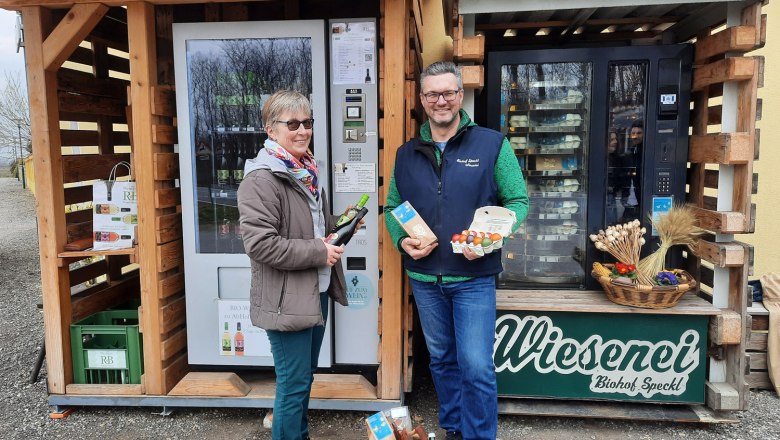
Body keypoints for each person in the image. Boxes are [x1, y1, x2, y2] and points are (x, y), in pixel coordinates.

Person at [384, 61, 529, 440]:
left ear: (460, 95)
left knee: (477, 366)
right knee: (444, 362)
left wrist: (489, 239)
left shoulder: (492, 144)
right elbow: (392, 209)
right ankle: (454, 429)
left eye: (448, 92)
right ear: (422, 100)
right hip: (425, 279)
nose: (441, 101)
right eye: (432, 94)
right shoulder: (406, 153)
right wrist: (402, 240)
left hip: (474, 279)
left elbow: (518, 201)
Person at [238, 90, 347, 440]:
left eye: (308, 122)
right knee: (293, 383)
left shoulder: (304, 170)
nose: (303, 131)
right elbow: (260, 244)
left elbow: (308, 227)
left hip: (316, 290)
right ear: (271, 130)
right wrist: (318, 251)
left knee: (303, 378)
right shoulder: (262, 178)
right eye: (293, 124)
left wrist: (339, 223)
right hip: (286, 298)